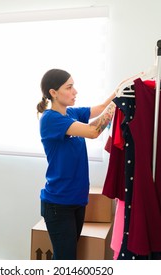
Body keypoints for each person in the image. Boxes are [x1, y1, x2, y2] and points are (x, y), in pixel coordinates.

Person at [36, 68, 116, 260]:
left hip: (77, 200)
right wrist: (116, 106)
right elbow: (93, 130)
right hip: (58, 204)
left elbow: (101, 108)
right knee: (66, 260)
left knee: (67, 257)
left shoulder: (70, 113)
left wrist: (120, 90)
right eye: (69, 87)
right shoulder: (50, 119)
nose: (75, 91)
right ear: (53, 93)